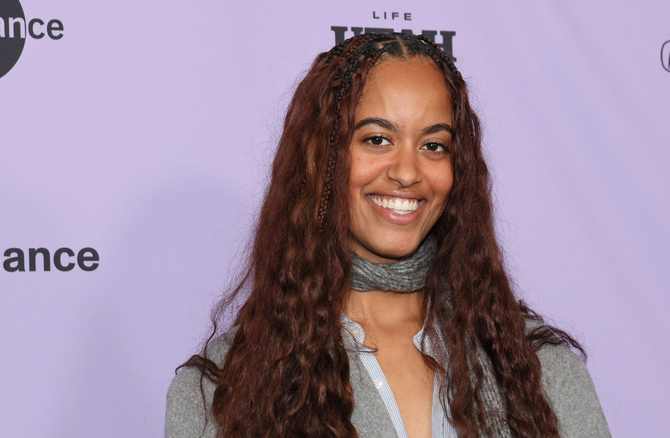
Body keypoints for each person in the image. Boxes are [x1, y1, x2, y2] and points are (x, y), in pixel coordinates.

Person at [166, 33, 611, 438]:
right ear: (319, 158)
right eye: (377, 139)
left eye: (433, 145)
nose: (406, 172)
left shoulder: (538, 372)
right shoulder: (220, 391)